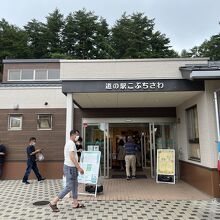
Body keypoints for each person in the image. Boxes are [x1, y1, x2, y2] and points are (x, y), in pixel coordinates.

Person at [49, 130, 85, 212]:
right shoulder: (71, 143)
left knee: (75, 185)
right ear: (72, 135)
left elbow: (72, 156)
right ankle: (53, 202)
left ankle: (75, 203)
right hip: (70, 168)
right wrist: (79, 168)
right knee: (69, 186)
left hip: (72, 168)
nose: (78, 137)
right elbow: (72, 157)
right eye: (77, 135)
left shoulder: (71, 143)